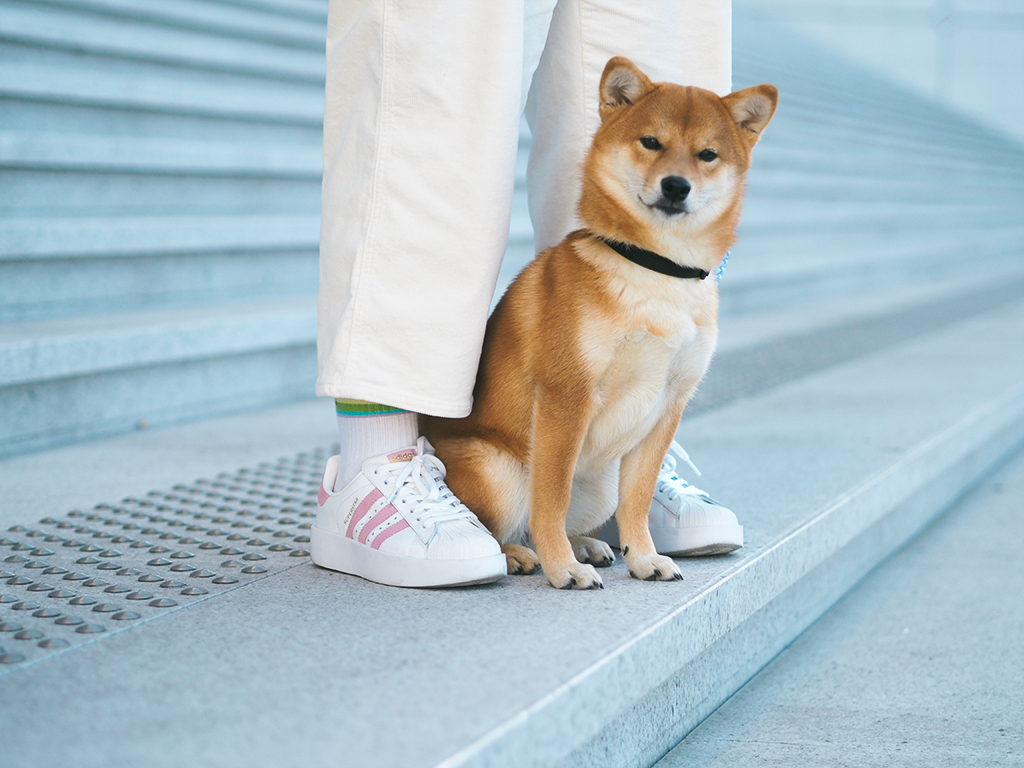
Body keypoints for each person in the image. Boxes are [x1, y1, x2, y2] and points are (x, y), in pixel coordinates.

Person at [312, 0, 743, 588]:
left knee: (659, 30)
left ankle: (620, 462)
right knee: (441, 64)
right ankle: (376, 456)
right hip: (496, 447)